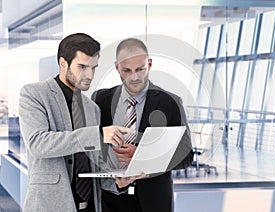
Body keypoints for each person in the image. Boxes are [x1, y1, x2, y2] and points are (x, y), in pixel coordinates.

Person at [19, 33, 137, 212]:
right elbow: (38, 144)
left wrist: (117, 182)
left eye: (93, 68)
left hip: (89, 206)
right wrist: (97, 135)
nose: (89, 75)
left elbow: (94, 165)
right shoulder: (35, 94)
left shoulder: (92, 108)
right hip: (50, 206)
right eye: (82, 67)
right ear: (63, 63)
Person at [91, 37, 194, 212]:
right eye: (126, 70)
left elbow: (186, 157)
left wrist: (143, 156)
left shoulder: (170, 103)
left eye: (140, 69)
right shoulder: (100, 100)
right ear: (117, 67)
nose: (134, 77)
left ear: (150, 64)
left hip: (153, 201)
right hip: (110, 199)